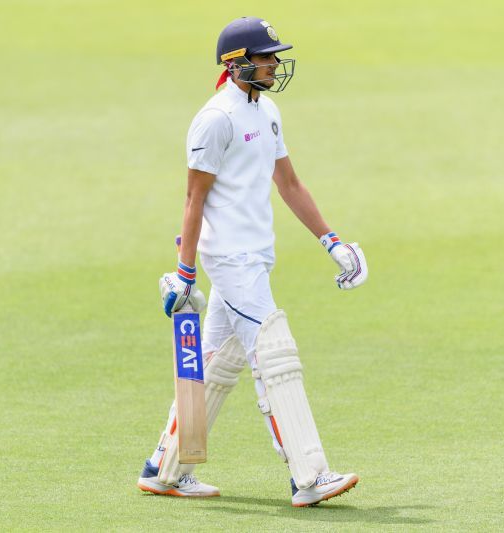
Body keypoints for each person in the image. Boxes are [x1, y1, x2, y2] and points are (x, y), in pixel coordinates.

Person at [137, 16, 369, 507]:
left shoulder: (268, 112)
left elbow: (289, 184)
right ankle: (309, 475)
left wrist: (332, 241)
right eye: (266, 57)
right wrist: (184, 271)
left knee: (217, 367)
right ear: (236, 63)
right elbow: (192, 199)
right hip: (230, 259)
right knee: (275, 355)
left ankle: (165, 468)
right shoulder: (215, 118)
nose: (275, 63)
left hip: (256, 256)